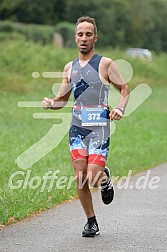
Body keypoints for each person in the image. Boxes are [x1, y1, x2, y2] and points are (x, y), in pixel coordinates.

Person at [42, 16, 130, 237]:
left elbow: (125, 90)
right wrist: (52, 104)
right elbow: (62, 99)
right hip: (77, 129)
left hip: (99, 128)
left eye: (88, 34)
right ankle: (91, 221)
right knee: (80, 177)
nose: (83, 38)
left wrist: (119, 108)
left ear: (95, 38)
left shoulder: (105, 64)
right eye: (80, 34)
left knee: (93, 176)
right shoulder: (69, 68)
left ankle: (104, 178)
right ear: (75, 38)